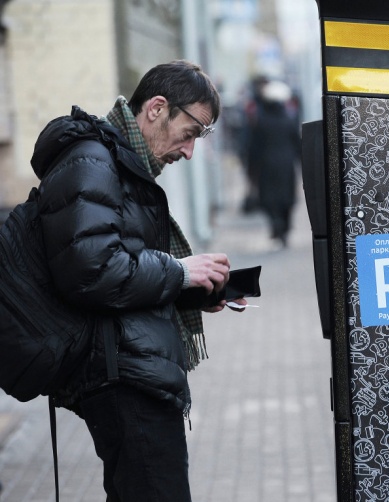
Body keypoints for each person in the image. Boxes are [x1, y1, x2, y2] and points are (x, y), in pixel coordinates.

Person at [30, 60, 246, 501]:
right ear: (156, 108)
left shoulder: (121, 165)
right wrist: (182, 270)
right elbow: (91, 270)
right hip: (122, 378)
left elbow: (123, 269)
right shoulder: (93, 162)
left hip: (134, 370)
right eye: (191, 132)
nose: (189, 152)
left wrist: (190, 294)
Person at [247, 80, 301, 246]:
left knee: (269, 198)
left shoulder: (260, 122)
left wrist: (251, 168)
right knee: (287, 197)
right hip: (287, 164)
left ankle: (276, 223)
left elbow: (254, 147)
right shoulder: (289, 120)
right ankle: (284, 228)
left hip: (267, 164)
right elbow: (298, 143)